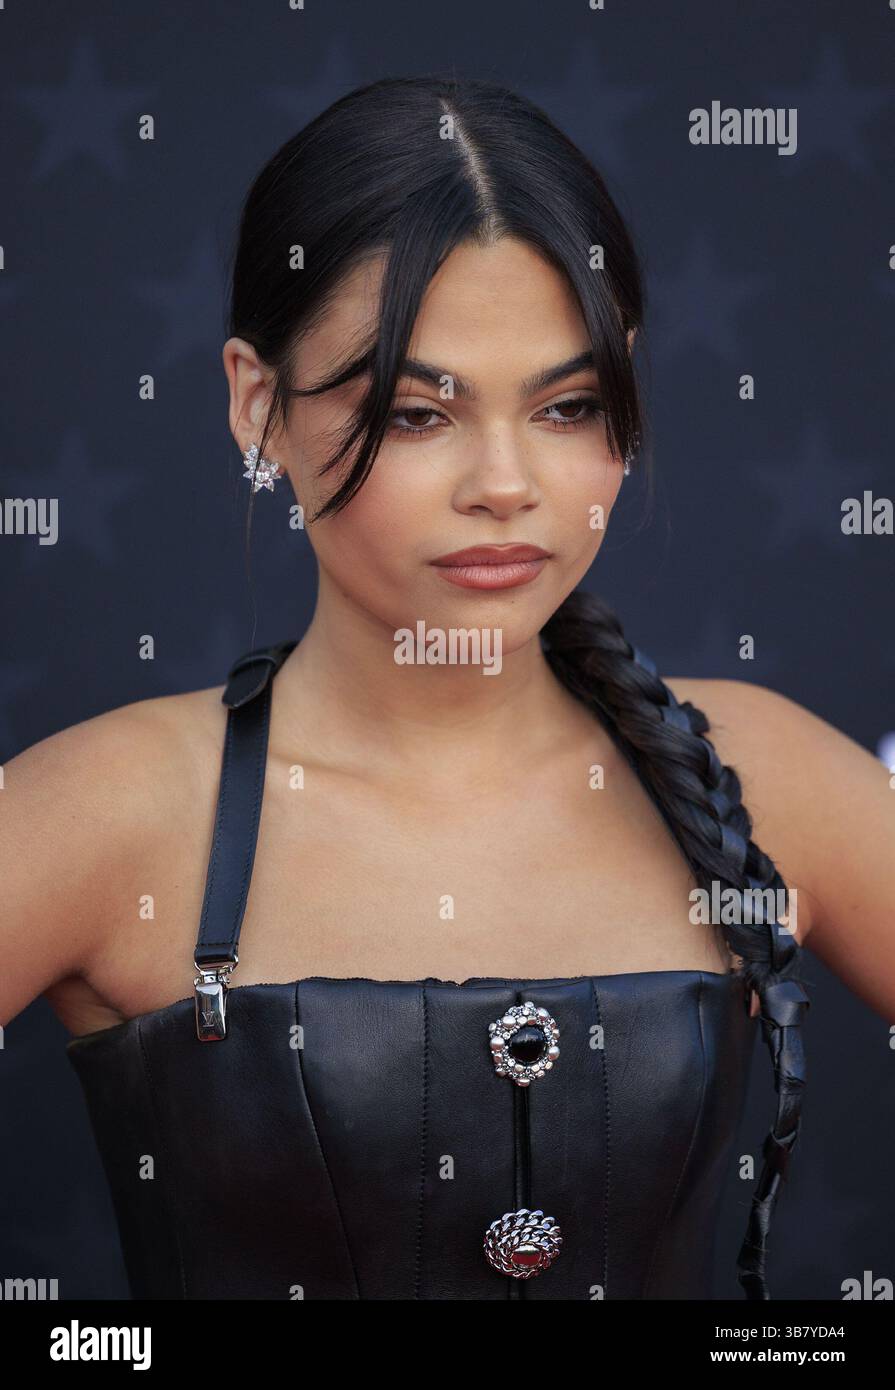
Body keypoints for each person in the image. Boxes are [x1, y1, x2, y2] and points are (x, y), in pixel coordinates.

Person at [3, 75, 893, 1301]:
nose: (506, 482)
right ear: (256, 406)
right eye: (419, 413)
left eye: (568, 405)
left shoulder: (760, 771)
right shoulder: (110, 808)